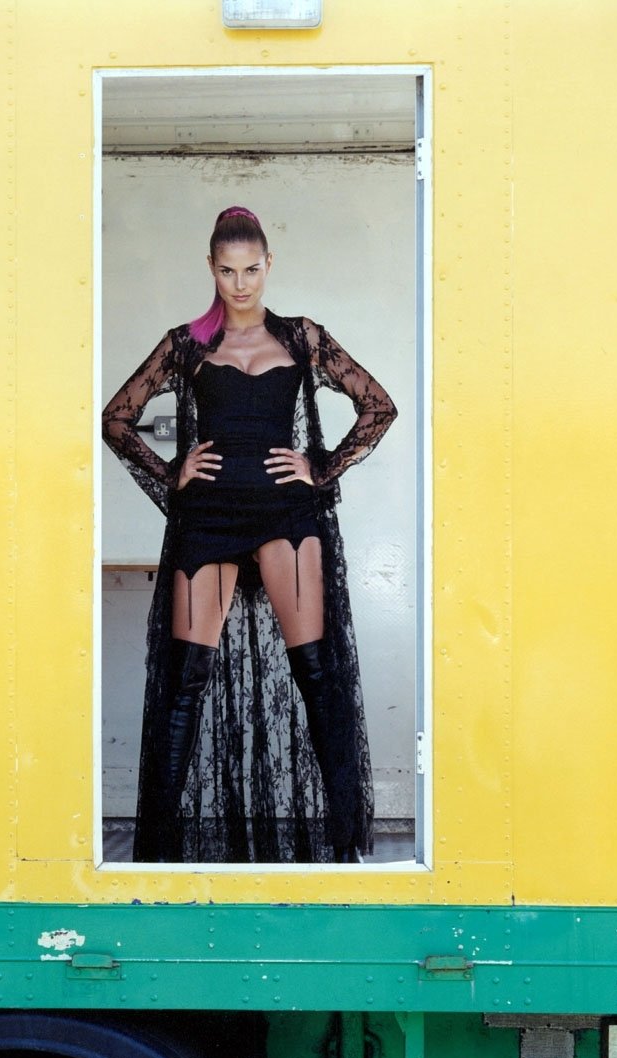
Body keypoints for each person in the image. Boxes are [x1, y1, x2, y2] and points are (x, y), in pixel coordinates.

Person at [102, 206, 396, 863]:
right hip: (207, 520)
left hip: (286, 517)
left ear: (269, 266)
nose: (240, 284)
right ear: (211, 268)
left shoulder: (301, 337)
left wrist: (319, 467)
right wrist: (171, 471)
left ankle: (346, 845)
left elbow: (378, 406)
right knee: (184, 684)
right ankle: (157, 852)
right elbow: (116, 418)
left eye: (252, 270)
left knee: (317, 676)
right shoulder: (186, 345)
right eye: (228, 271)